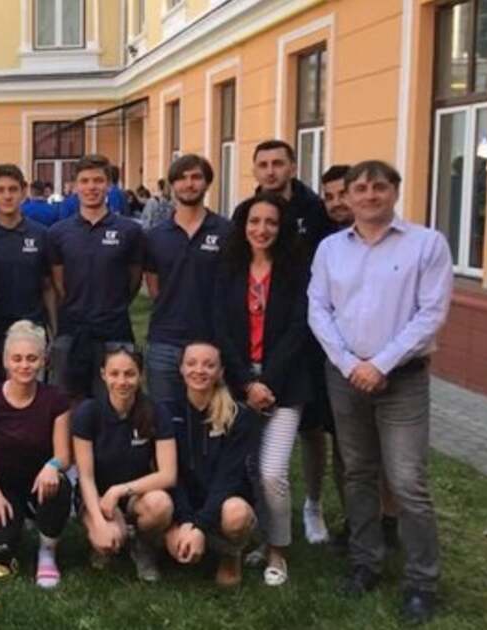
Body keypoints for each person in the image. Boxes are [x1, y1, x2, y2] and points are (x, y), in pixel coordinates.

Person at [308, 160, 453, 624]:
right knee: (357, 472)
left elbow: (431, 313)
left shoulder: (426, 244)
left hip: (402, 378)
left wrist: (381, 364)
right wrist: (352, 365)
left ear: (395, 191)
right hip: (346, 375)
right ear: (348, 196)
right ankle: (365, 562)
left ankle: (422, 582)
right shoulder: (331, 249)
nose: (370, 196)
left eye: (379, 187)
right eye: (361, 189)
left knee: (408, 480)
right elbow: (318, 309)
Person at [212, 193, 311, 586]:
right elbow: (220, 327)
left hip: (284, 384)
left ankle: (278, 551)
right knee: (250, 467)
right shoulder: (229, 267)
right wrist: (246, 382)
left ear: (281, 227)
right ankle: (259, 536)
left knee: (272, 472)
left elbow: (299, 328)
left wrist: (267, 381)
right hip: (239, 382)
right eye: (255, 221)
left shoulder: (296, 269)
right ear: (243, 225)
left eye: (271, 222)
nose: (262, 229)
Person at [0, 322, 72, 588]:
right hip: (3, 486)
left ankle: (47, 552)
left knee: (59, 485)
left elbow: (64, 455)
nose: (24, 365)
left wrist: (52, 465)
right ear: (5, 361)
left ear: (43, 361)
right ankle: (15, 527)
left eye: (32, 358)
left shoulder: (56, 399)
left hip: (41, 484)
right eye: (17, 359)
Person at [73, 348, 177, 583]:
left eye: (130, 374)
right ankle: (106, 534)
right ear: (103, 374)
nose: (122, 381)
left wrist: (120, 490)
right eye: (114, 374)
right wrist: (98, 520)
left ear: (141, 375)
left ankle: (144, 546)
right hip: (96, 495)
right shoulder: (88, 412)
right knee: (108, 539)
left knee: (161, 504)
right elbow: (85, 476)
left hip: (134, 495)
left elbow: (168, 474)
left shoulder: (156, 411)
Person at [46, 155, 145, 397]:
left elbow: (134, 280)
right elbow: (59, 283)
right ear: (75, 186)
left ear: (109, 185)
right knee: (65, 401)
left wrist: (113, 304)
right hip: (71, 332)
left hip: (114, 331)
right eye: (85, 181)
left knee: (115, 401)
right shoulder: (58, 232)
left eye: (98, 181)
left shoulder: (130, 230)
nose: (91, 187)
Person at [162, 341, 258, 587]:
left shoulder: (238, 416)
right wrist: (186, 521)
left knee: (236, 514)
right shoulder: (166, 412)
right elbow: (172, 475)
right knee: (160, 513)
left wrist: (200, 526)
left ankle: (230, 555)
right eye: (191, 363)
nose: (199, 370)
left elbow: (229, 478)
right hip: (183, 505)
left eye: (209, 365)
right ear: (181, 369)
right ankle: (159, 549)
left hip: (223, 501)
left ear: (220, 372)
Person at [143, 155, 232, 406]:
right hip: (164, 340)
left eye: (196, 177)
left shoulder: (227, 231)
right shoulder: (155, 236)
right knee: (164, 418)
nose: (189, 184)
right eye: (181, 178)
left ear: (207, 183)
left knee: (212, 417)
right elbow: (154, 286)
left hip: (211, 339)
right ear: (172, 185)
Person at [298, 163, 354, 546]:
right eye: (329, 196)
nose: (336, 202)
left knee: (351, 442)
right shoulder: (320, 232)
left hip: (357, 356)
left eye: (343, 194)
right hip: (313, 348)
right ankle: (314, 504)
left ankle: (359, 521)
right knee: (313, 430)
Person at [0, 164, 55, 385]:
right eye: (0, 190)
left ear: (24, 192)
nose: (7, 196)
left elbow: (48, 286)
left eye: (13, 189)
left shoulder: (41, 235)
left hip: (31, 329)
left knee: (31, 395)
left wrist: (54, 331)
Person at [251, 139, 336, 252]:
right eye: (263, 165)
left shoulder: (317, 210)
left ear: (293, 170)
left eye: (277, 164)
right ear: (254, 172)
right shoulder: (244, 212)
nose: (270, 172)